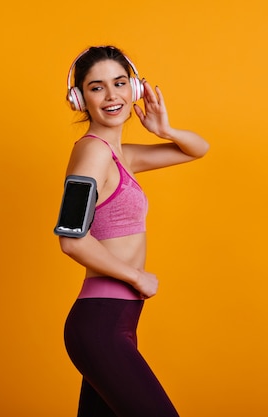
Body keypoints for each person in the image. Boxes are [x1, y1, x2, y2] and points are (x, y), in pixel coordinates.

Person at [57, 45, 209, 417]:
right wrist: (136, 277)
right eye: (96, 87)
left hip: (116, 321)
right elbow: (70, 238)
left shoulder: (123, 155)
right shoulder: (92, 154)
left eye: (120, 83)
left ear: (135, 89)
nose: (111, 96)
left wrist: (164, 129)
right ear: (80, 99)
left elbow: (196, 150)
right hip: (100, 325)